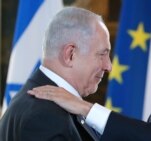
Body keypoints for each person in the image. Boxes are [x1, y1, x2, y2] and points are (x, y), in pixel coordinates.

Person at [0, 7, 112, 141]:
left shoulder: (43, 106)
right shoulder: (43, 116)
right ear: (70, 55)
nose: (108, 66)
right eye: (102, 54)